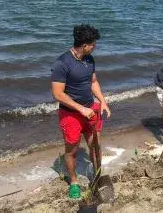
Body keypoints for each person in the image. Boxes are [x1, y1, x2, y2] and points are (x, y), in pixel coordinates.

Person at [51, 24, 111, 199]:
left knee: (96, 145)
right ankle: (75, 182)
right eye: (93, 44)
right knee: (72, 151)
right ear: (84, 45)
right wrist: (80, 109)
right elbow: (57, 94)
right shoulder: (62, 63)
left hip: (90, 110)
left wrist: (103, 101)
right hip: (71, 114)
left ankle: (97, 175)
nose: (95, 47)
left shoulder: (89, 59)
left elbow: (93, 82)